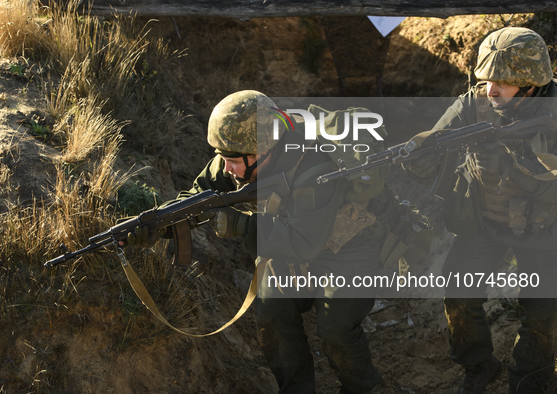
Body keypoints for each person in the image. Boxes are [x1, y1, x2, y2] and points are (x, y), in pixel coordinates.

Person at [127, 90, 397, 393]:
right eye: (222, 157)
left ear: (262, 152)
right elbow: (196, 197)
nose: (226, 168)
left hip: (350, 247)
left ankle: (359, 387)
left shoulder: (315, 168)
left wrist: (242, 225)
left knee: (336, 331)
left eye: (232, 160)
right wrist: (156, 225)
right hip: (289, 235)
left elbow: (303, 244)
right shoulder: (238, 157)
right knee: (271, 314)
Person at [406, 27, 557, 394]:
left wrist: (514, 171)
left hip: (545, 231)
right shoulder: (474, 105)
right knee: (458, 293)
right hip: (485, 221)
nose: (491, 91)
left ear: (531, 83)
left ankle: (530, 379)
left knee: (541, 315)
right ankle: (477, 365)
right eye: (487, 79)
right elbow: (436, 140)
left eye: (502, 83)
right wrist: (417, 157)